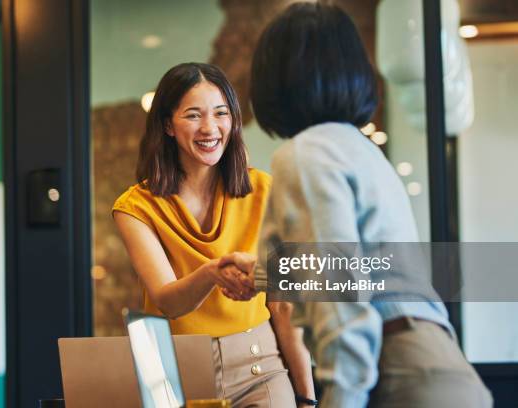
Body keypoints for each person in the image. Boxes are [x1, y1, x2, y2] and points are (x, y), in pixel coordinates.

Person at [220, 3, 493, 408]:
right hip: (437, 365)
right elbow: (372, 266)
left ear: (276, 78)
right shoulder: (359, 150)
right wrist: (264, 275)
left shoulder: (305, 155)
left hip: (398, 372)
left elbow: (341, 301)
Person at [112, 62, 314, 407]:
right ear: (167, 125)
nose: (210, 128)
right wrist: (212, 273)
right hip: (174, 376)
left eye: (221, 113)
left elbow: (283, 308)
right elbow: (168, 301)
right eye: (193, 115)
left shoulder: (265, 191)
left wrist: (307, 399)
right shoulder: (135, 207)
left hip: (260, 368)